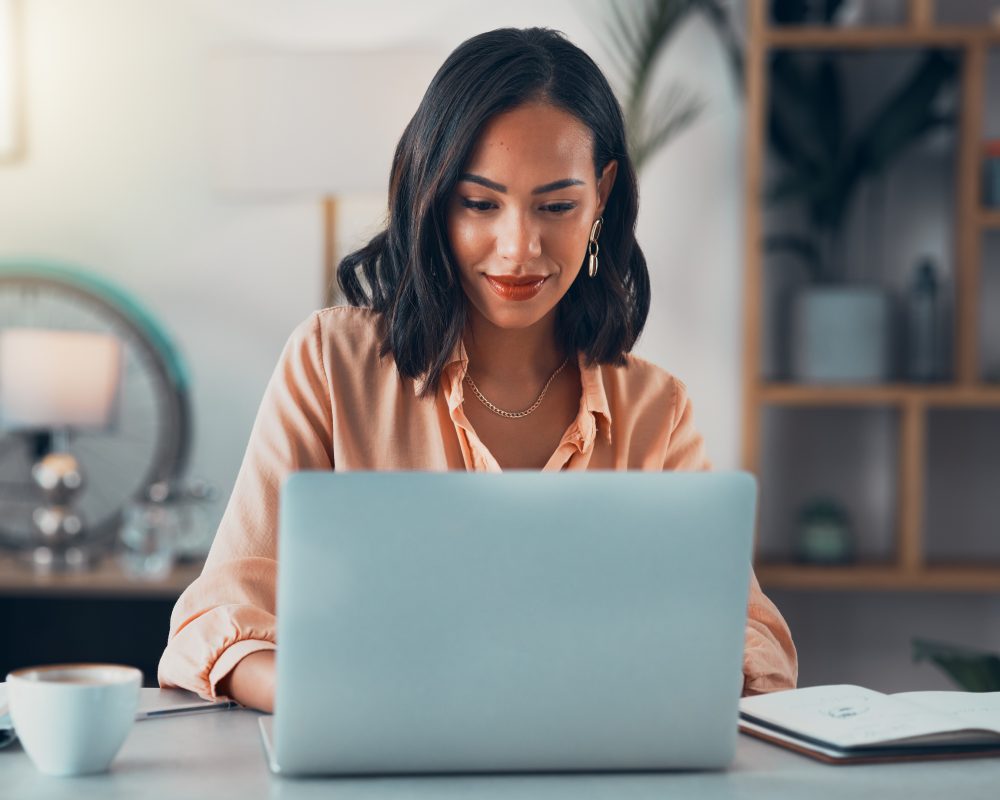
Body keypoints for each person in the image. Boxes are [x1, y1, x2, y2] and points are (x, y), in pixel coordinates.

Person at [158, 27, 797, 713]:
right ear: (433, 198)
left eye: (556, 206)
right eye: (480, 203)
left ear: (603, 196)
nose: (519, 248)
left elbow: (749, 636)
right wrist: (332, 700)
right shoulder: (329, 365)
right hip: (375, 757)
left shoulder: (654, 410)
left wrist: (657, 680)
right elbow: (217, 619)